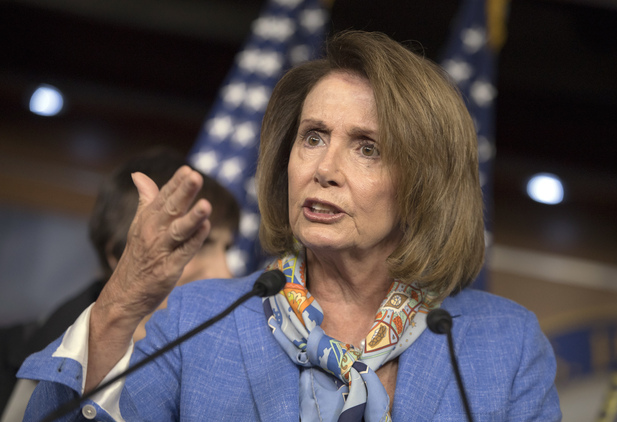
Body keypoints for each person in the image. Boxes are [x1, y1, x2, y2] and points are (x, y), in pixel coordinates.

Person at [17, 31, 561, 421]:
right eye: (313, 137)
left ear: (426, 183)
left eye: (367, 148)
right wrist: (120, 304)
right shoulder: (196, 318)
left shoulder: (506, 345)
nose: (324, 170)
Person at [1, 147, 239, 421]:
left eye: (227, 249)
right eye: (196, 244)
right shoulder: (10, 354)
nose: (225, 273)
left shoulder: (219, 386)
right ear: (118, 253)